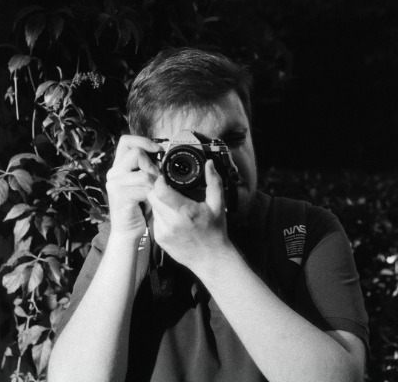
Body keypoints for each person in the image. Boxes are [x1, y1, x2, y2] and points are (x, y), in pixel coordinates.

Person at [47, 48, 369, 382]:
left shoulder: (304, 230)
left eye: (233, 139)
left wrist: (213, 256)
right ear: (150, 156)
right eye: (191, 155)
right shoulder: (128, 239)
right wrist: (126, 238)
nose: (221, 164)